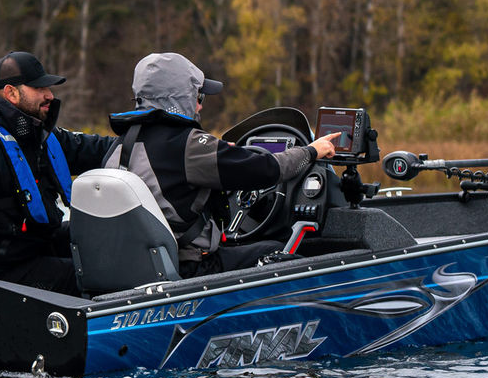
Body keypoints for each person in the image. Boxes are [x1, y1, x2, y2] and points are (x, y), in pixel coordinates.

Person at [106, 52, 339, 278]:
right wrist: (311, 151)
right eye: (198, 97)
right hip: (188, 268)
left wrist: (219, 154)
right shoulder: (189, 146)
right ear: (180, 98)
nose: (200, 106)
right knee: (275, 250)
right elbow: (267, 169)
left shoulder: (120, 146)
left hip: (138, 267)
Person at [0, 51, 117, 294]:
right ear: (11, 93)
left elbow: (99, 149)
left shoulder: (40, 136)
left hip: (42, 247)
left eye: (49, 88)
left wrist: (143, 136)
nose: (49, 96)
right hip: (6, 272)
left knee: (104, 242)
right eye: (39, 88)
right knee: (98, 277)